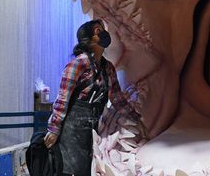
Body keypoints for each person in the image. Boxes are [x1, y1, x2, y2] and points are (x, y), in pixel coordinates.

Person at [44, 19, 139, 176]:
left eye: (102, 29)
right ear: (87, 39)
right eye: (97, 30)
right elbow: (62, 99)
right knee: (73, 171)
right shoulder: (77, 64)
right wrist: (54, 129)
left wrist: (136, 119)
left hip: (93, 129)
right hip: (72, 131)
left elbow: (118, 100)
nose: (102, 32)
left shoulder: (108, 67)